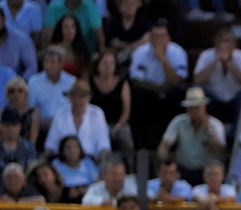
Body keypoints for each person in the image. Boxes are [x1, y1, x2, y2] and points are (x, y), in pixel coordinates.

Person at [129, 19, 188, 151]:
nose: (159, 40)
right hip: (150, 96)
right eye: (155, 36)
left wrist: (162, 59)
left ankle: (174, 145)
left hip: (170, 97)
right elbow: (137, 80)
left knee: (177, 93)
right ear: (150, 37)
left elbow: (177, 80)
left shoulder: (178, 52)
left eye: (162, 36)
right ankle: (141, 146)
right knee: (137, 94)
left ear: (168, 37)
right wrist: (159, 88)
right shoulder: (140, 52)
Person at [156, 87, 225, 186]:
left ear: (204, 106)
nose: (194, 111)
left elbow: (218, 150)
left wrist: (208, 129)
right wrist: (165, 161)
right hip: (182, 170)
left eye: (197, 107)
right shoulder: (178, 122)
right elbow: (164, 144)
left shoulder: (216, 125)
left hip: (205, 173)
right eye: (191, 108)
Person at [192, 30, 241, 127]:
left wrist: (228, 62)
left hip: (234, 98)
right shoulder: (206, 55)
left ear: (234, 44)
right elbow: (197, 79)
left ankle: (237, 133)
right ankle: (204, 128)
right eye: (221, 41)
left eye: (227, 42)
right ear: (215, 43)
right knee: (198, 90)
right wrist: (216, 61)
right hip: (213, 97)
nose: (223, 45)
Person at [44, 79, 110, 163]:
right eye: (75, 97)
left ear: (88, 98)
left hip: (91, 162)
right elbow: (51, 144)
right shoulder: (60, 114)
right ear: (70, 98)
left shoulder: (97, 114)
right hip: (64, 162)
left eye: (82, 97)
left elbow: (104, 144)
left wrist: (101, 161)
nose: (78, 101)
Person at [90, 49, 133, 160]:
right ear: (98, 65)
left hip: (117, 124)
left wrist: (118, 126)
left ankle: (130, 169)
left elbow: (126, 110)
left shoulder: (122, 83)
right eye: (104, 63)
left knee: (126, 140)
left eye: (111, 63)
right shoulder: (90, 82)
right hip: (94, 125)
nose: (107, 66)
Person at [0, 106, 36, 190]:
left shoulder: (28, 148)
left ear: (19, 127)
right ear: (1, 126)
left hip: (22, 191)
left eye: (14, 125)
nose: (10, 129)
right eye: (7, 125)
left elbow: (31, 175)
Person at [26, 46, 75, 136]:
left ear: (61, 64)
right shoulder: (34, 81)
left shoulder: (71, 82)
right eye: (46, 62)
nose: (48, 66)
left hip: (65, 127)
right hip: (40, 126)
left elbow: (74, 108)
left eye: (52, 62)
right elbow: (30, 107)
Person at [0, 6, 36, 79]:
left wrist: (20, 83)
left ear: (4, 20)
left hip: (14, 85)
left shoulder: (22, 39)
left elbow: (31, 67)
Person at [52, 135, 98, 203]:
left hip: (86, 194)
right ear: (62, 150)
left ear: (80, 149)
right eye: (68, 147)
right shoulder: (56, 164)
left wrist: (82, 191)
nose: (72, 150)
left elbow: (97, 183)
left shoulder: (88, 162)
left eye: (75, 147)